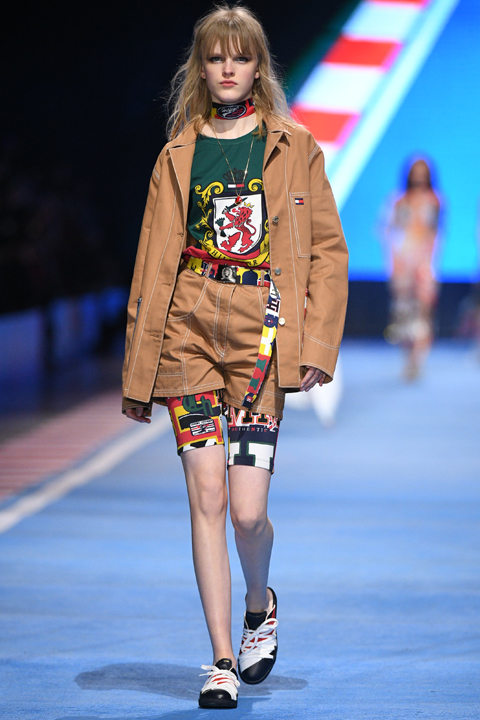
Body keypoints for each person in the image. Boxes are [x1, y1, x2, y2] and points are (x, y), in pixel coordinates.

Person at [122, 4, 348, 709]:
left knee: (248, 513)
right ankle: (220, 659)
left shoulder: (294, 147)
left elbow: (327, 251)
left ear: (258, 66)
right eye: (216, 56)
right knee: (207, 498)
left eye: (240, 56)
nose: (227, 68)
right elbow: (152, 262)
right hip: (188, 329)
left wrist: (317, 342)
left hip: (262, 335)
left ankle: (259, 605)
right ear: (201, 67)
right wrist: (139, 365)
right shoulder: (176, 155)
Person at [383, 158, 441, 380]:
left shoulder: (434, 201)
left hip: (424, 261)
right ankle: (408, 359)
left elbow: (435, 234)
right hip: (403, 260)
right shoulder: (399, 201)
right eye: (415, 171)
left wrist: (428, 262)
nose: (418, 176)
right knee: (403, 314)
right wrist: (395, 262)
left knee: (423, 312)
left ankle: (418, 359)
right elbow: (390, 231)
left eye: (422, 171)